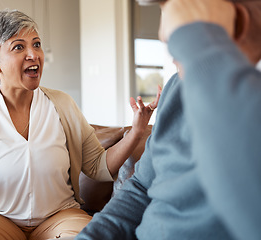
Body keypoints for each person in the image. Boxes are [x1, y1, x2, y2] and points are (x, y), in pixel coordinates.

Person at [0, 9, 161, 240]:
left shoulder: (63, 104)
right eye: (19, 47)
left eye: (37, 44)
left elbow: (98, 167)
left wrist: (137, 131)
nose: (33, 54)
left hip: (60, 215)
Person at [76, 0, 261, 239]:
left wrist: (199, 48)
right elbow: (141, 188)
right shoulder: (178, 88)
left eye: (177, 37)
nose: (172, 55)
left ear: (236, 23)